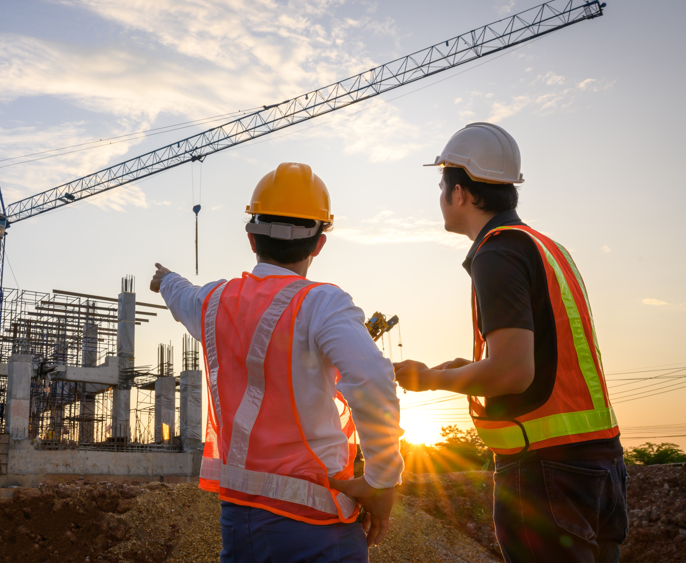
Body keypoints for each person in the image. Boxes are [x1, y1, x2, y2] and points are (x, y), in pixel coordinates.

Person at [394, 123, 627, 563]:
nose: (441, 197)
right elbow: (546, 358)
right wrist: (459, 368)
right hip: (599, 462)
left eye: (443, 186)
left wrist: (428, 380)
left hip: (547, 471)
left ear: (460, 193)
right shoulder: (545, 247)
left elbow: (514, 372)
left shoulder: (497, 253)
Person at [149, 162, 403, 562]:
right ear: (319, 244)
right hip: (316, 523)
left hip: (241, 525)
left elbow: (185, 296)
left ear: (251, 239)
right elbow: (372, 380)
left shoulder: (215, 303)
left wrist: (165, 280)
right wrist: (381, 480)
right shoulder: (322, 303)